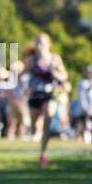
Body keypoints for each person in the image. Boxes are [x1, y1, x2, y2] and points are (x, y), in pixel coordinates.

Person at [24, 33, 68, 166]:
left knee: (48, 119)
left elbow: (64, 76)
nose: (40, 46)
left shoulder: (55, 59)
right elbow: (23, 73)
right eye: (38, 43)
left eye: (42, 43)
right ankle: (36, 131)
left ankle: (42, 154)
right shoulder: (32, 59)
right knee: (34, 126)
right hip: (35, 95)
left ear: (49, 44)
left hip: (50, 95)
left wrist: (54, 72)